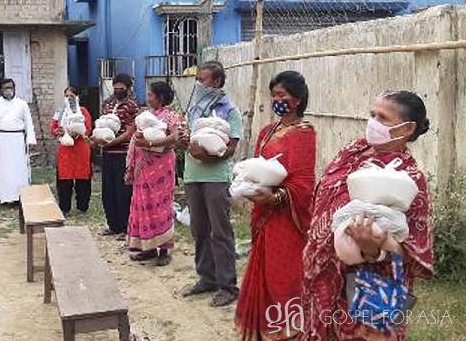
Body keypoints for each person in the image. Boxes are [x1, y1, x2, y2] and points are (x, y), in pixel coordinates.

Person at [301, 91, 433, 340]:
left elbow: (415, 249)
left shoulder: (410, 178)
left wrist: (372, 248)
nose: (373, 123)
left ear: (407, 128)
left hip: (371, 287)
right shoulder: (353, 150)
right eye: (372, 115)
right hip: (322, 277)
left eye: (383, 118)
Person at [235, 71, 316, 339]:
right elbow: (259, 166)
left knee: (283, 273)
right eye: (274, 95)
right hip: (263, 212)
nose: (276, 100)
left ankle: (287, 329)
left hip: (285, 217)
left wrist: (274, 199)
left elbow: (303, 183)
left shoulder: (304, 134)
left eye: (281, 95)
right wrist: (248, 184)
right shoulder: (267, 131)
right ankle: (262, 329)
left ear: (297, 99)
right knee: (265, 271)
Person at [178, 61, 243, 307]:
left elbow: (231, 147)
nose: (199, 84)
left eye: (202, 80)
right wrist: (185, 142)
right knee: (200, 229)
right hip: (193, 177)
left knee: (220, 231)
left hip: (215, 178)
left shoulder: (229, 110)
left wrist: (207, 154)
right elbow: (186, 137)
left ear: (216, 82)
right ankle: (206, 278)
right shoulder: (194, 109)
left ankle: (228, 285)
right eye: (198, 79)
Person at [125, 81, 179, 266]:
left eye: (150, 95)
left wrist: (151, 144)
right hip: (143, 166)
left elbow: (174, 137)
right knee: (143, 203)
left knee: (160, 204)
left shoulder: (170, 116)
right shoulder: (144, 115)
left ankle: (164, 249)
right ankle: (146, 247)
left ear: (160, 98)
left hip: (162, 166)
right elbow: (136, 133)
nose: (147, 98)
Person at [92, 73, 139, 240]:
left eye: (121, 88)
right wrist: (98, 140)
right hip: (107, 153)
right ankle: (112, 225)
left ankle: (124, 227)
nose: (118, 91)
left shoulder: (132, 106)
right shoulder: (108, 104)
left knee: (123, 191)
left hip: (123, 153)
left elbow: (129, 133)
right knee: (108, 190)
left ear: (128, 88)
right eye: (116, 88)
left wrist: (111, 142)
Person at [0, 78, 36, 204]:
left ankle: (20, 196)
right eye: (6, 88)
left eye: (10, 87)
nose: (8, 90)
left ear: (14, 89)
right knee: (2, 169)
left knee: (19, 168)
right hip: (1, 139)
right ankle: (4, 196)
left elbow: (29, 123)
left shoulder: (22, 104)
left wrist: (31, 139)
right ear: (1, 89)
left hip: (18, 140)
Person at [50, 87, 92, 216]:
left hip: (80, 148)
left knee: (82, 178)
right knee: (64, 179)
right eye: (67, 96)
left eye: (72, 96)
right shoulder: (60, 112)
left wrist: (78, 131)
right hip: (66, 149)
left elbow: (88, 128)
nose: (69, 98)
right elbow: (53, 129)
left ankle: (82, 206)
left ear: (77, 97)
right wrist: (58, 131)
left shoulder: (83, 111)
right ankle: (64, 207)